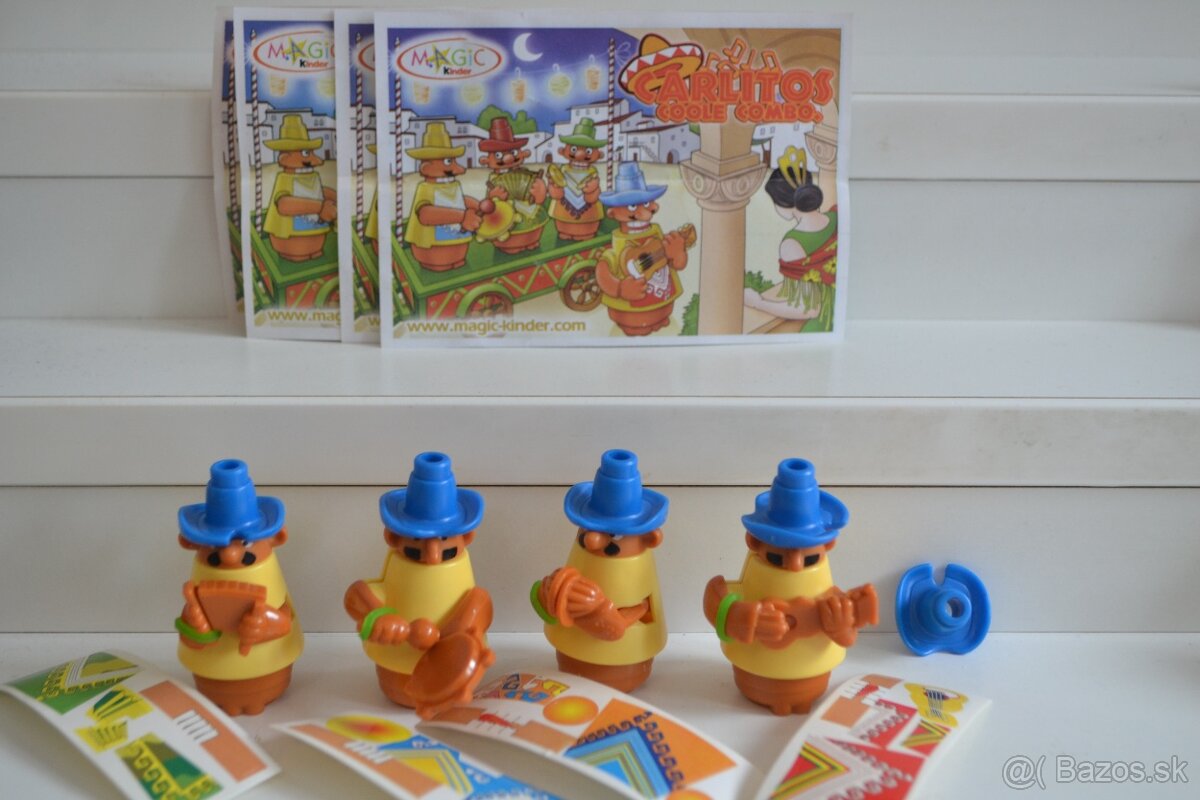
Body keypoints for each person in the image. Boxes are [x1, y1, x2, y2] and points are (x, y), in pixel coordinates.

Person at [745, 146, 837, 331]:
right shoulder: (835, 216)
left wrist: (758, 302)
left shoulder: (793, 243)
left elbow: (808, 308)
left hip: (822, 324)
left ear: (782, 203)